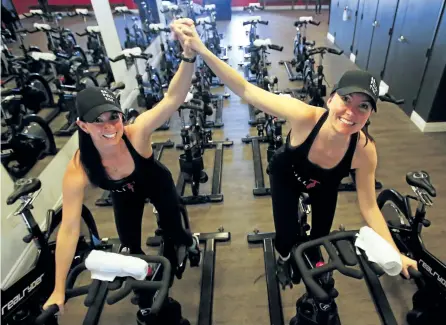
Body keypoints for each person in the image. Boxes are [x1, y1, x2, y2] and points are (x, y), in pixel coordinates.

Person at [172, 21, 418, 287]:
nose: (351, 112)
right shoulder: (304, 117)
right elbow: (245, 89)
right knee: (286, 238)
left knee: (319, 239)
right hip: (287, 177)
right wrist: (202, 50)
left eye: (363, 106)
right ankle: (284, 258)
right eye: (346, 100)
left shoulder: (365, 151)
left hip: (324, 187)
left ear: (370, 114)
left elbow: (369, 206)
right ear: (331, 99)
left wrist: (396, 253)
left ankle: (311, 257)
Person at [43, 19, 200, 320]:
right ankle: (150, 289)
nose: (108, 127)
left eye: (113, 117)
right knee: (130, 246)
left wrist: (188, 55)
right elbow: (69, 229)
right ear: (82, 126)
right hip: (124, 195)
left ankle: (186, 241)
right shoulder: (79, 168)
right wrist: (58, 287)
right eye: (97, 120)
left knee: (175, 232)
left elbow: (172, 99)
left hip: (156, 184)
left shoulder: (136, 133)